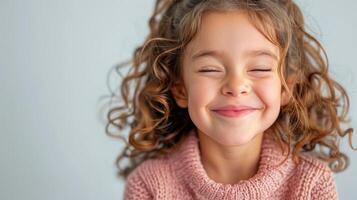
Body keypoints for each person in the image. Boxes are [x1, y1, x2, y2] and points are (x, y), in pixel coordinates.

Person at [105, 0, 355, 199]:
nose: (236, 86)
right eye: (210, 69)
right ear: (180, 89)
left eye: (259, 68)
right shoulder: (150, 185)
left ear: (285, 89)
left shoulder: (311, 183)